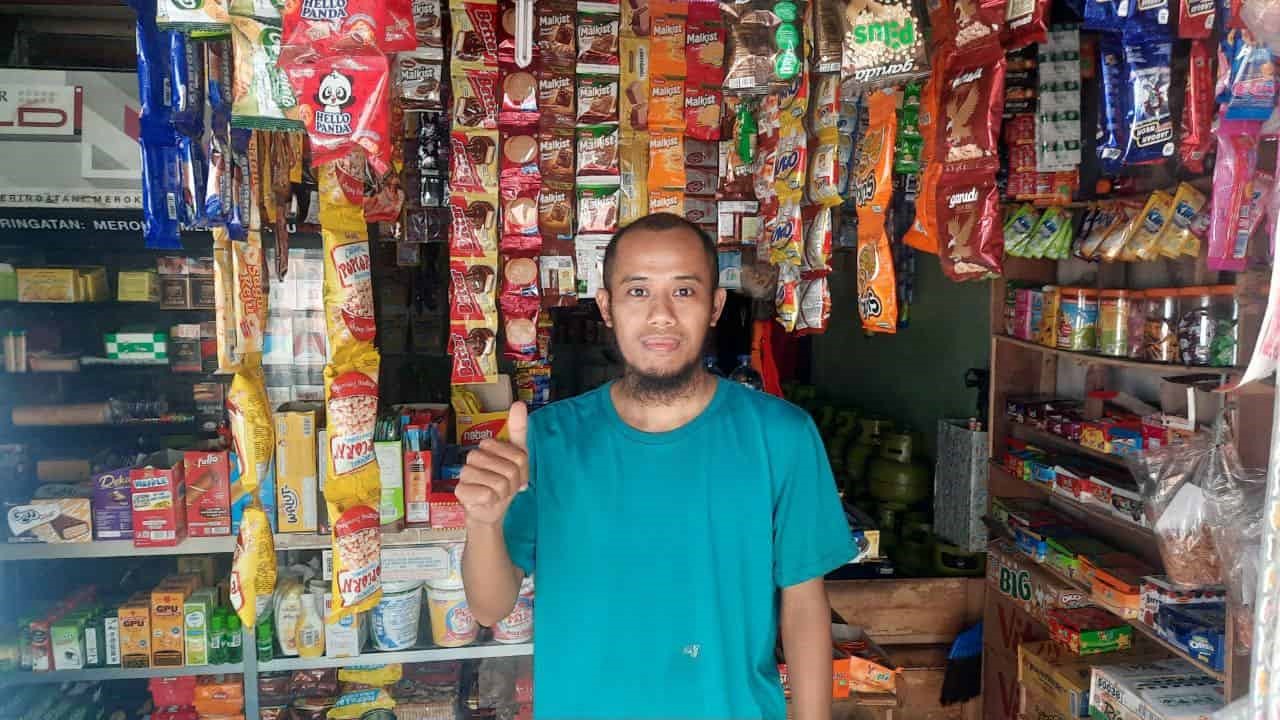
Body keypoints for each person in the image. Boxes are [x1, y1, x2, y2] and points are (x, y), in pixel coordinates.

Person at [458, 213, 855, 720]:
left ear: (715, 306)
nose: (661, 314)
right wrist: (483, 521)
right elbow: (490, 606)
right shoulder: (549, 441)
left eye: (683, 292)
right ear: (607, 306)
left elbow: (803, 605)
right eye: (638, 291)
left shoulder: (781, 436)